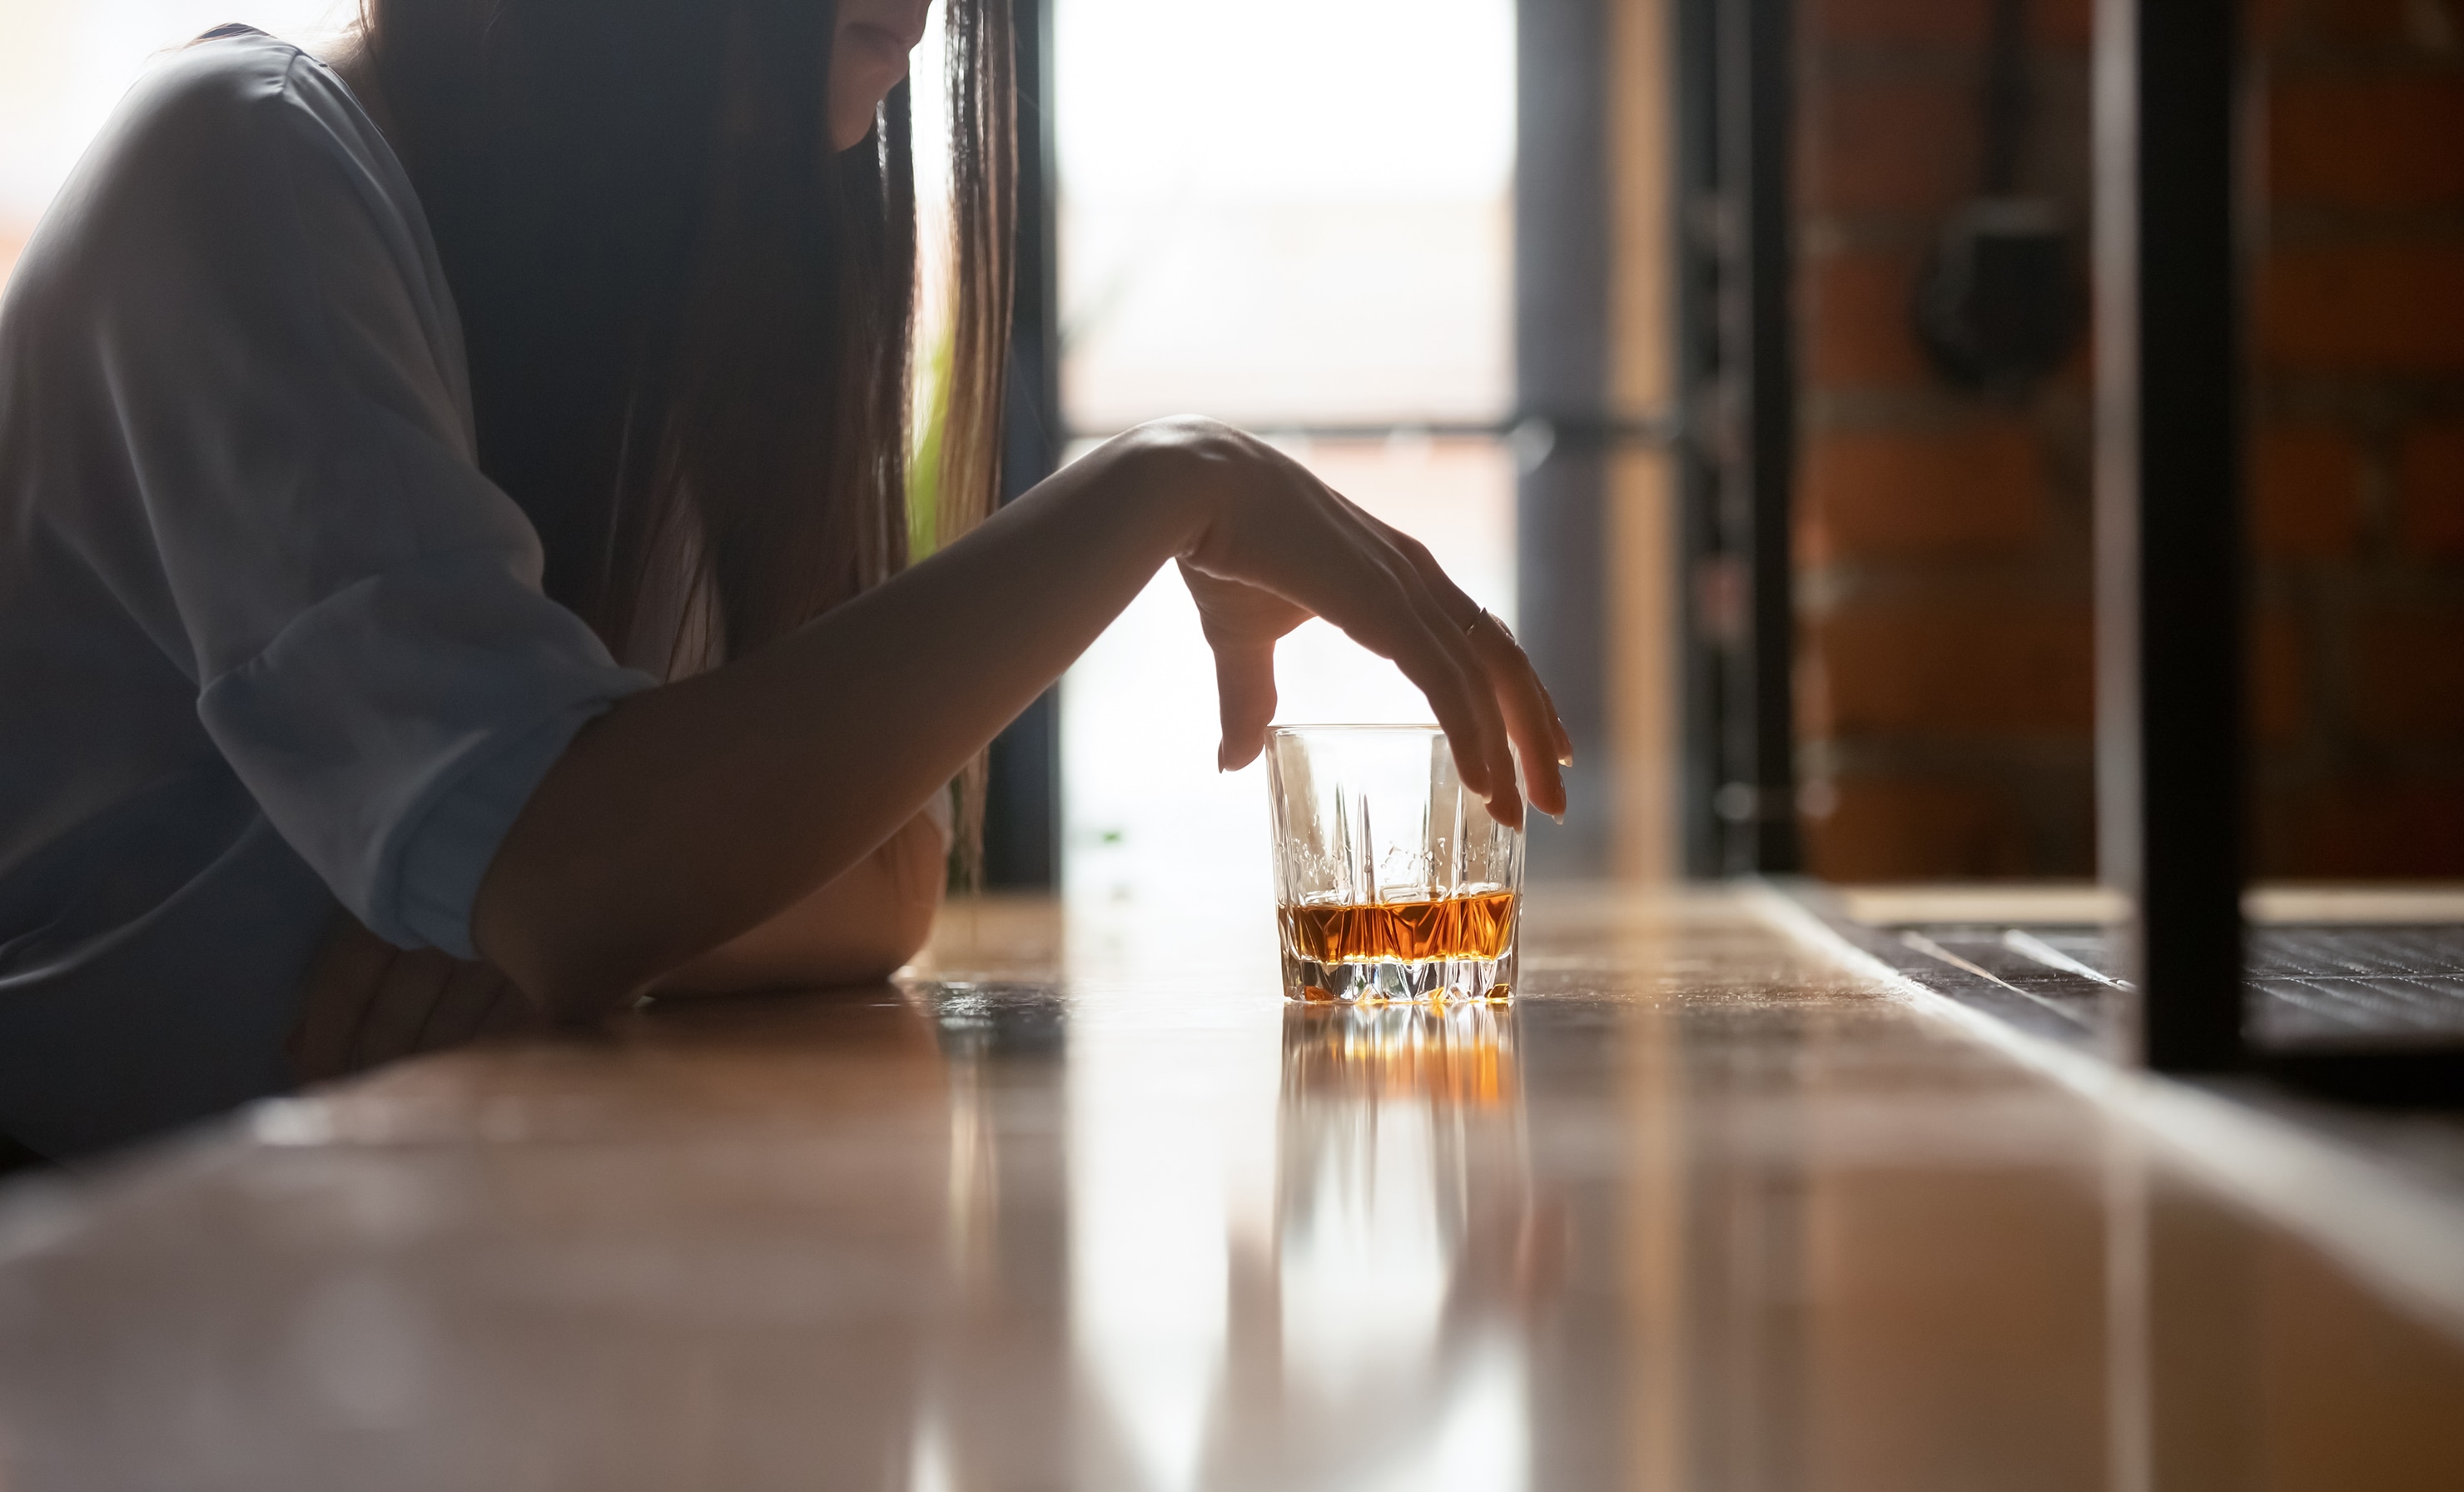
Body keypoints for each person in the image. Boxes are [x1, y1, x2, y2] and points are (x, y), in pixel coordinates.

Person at [0, 0, 1569, 1161]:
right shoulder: (241, 166)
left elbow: (884, 868)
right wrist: (1168, 489)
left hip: (354, 1243)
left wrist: (588, 881)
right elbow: (590, 877)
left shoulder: (650, 325)